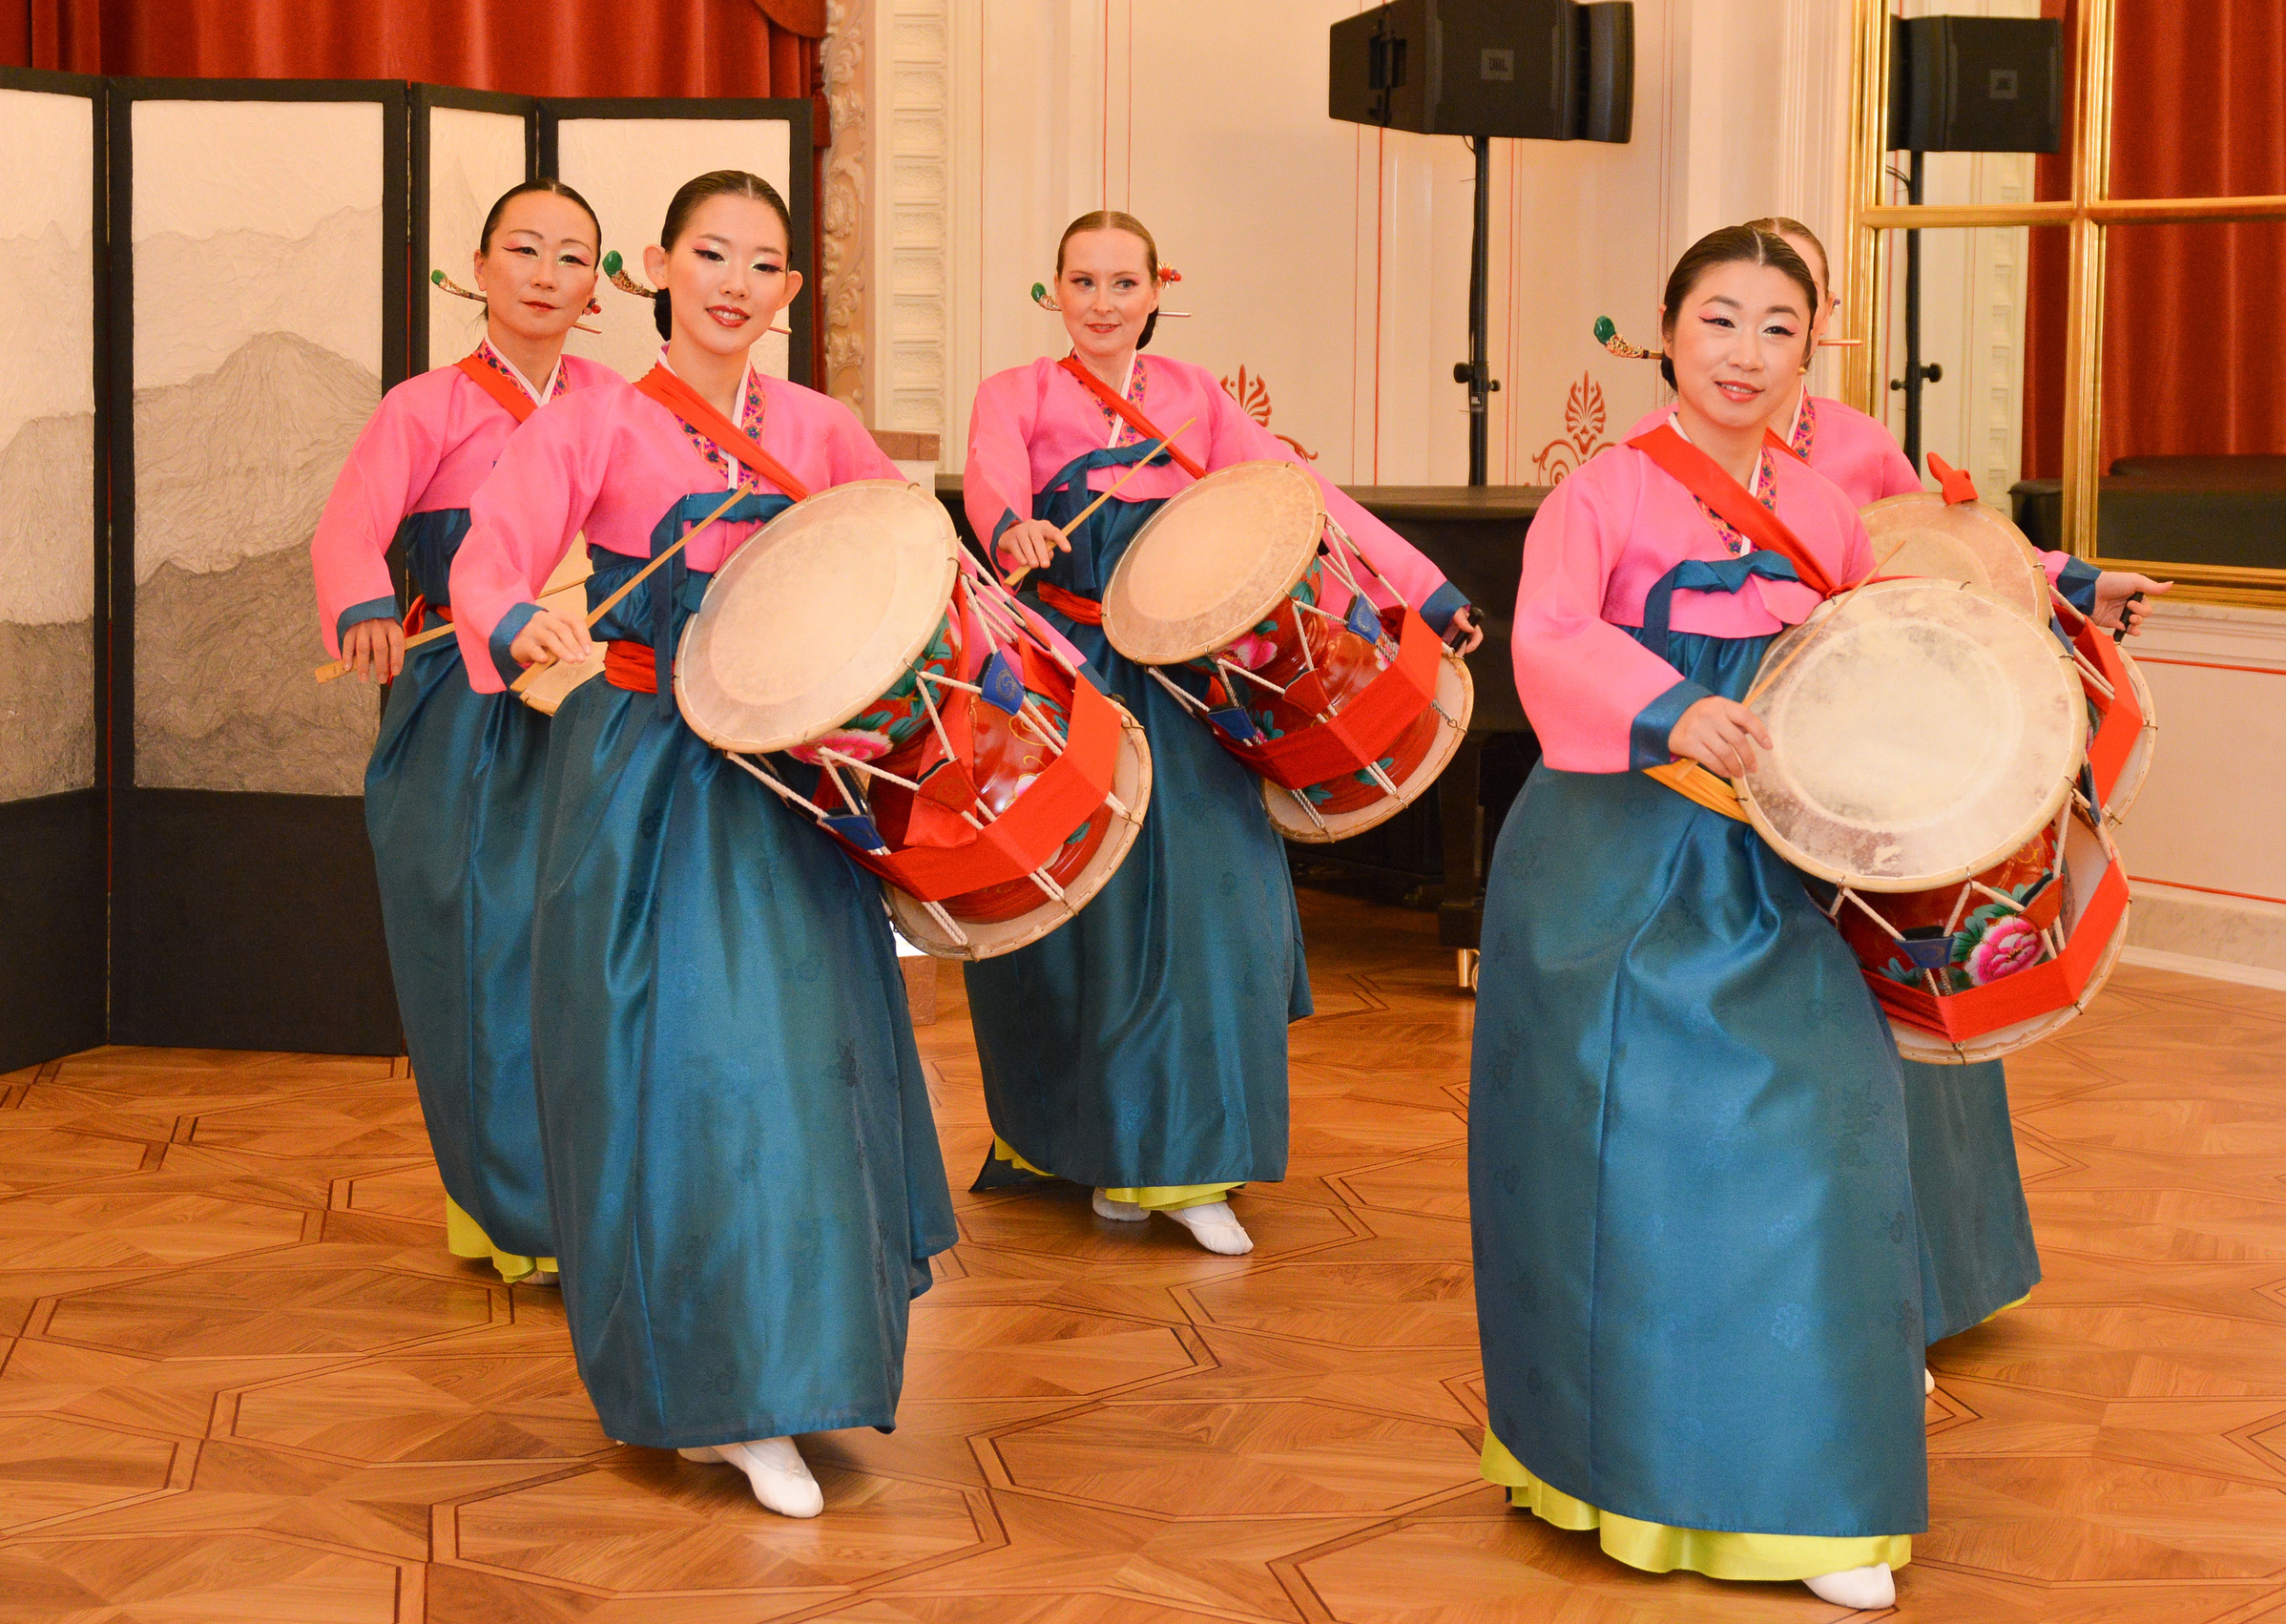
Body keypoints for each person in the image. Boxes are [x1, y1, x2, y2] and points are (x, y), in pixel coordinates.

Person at [447, 170, 953, 1520]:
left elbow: (910, 554)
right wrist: (519, 622)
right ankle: (720, 1389)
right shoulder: (592, 422)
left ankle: (801, 1357)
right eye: (710, 253)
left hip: (792, 782)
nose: (734, 282)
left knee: (811, 1068)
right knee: (691, 1075)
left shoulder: (822, 426)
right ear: (657, 267)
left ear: (790, 288)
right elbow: (486, 564)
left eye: (762, 262)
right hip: (649, 783)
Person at [1469, 225, 1921, 1610]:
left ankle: (1811, 1490)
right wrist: (1671, 704)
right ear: (1664, 330)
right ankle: (1615, 1464)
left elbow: (1858, 669)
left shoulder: (1828, 512)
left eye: (1779, 326)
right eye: (1719, 319)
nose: (1745, 352)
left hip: (1772, 867)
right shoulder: (1598, 494)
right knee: (1629, 1164)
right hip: (1613, 868)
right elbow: (1550, 637)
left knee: (1821, 1139)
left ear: (1811, 350)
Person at [960, 210, 1482, 1256]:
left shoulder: (1196, 396)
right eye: (1082, 281)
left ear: (1160, 290)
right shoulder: (1013, 394)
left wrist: (1422, 591)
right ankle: (1099, 1152)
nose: (1103, 302)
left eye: (1124, 282)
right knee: (1076, 923)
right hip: (1070, 680)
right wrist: (1013, 528)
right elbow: (991, 491)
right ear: (1052, 291)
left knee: (1215, 910)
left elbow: (1301, 496)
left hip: (1189, 677)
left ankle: (1181, 1163)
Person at [1735, 214, 2168, 1350]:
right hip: (1745, 764)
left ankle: (1936, 1285)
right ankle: (1803, 1302)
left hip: (1885, 761)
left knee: (1913, 1009)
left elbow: (1965, 548)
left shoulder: (1857, 443)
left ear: (1821, 323)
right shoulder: (1675, 450)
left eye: (1793, 305)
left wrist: (2079, 578)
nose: (1765, 332)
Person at [310, 179, 619, 1286]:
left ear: (596, 290)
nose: (545, 273)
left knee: (590, 954)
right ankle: (508, 1209)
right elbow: (350, 527)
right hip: (463, 706)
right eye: (523, 249)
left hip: (591, 696)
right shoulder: (425, 406)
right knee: (486, 951)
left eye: (572, 256)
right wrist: (363, 606)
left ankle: (595, 1204)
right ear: (478, 269)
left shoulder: (616, 403)